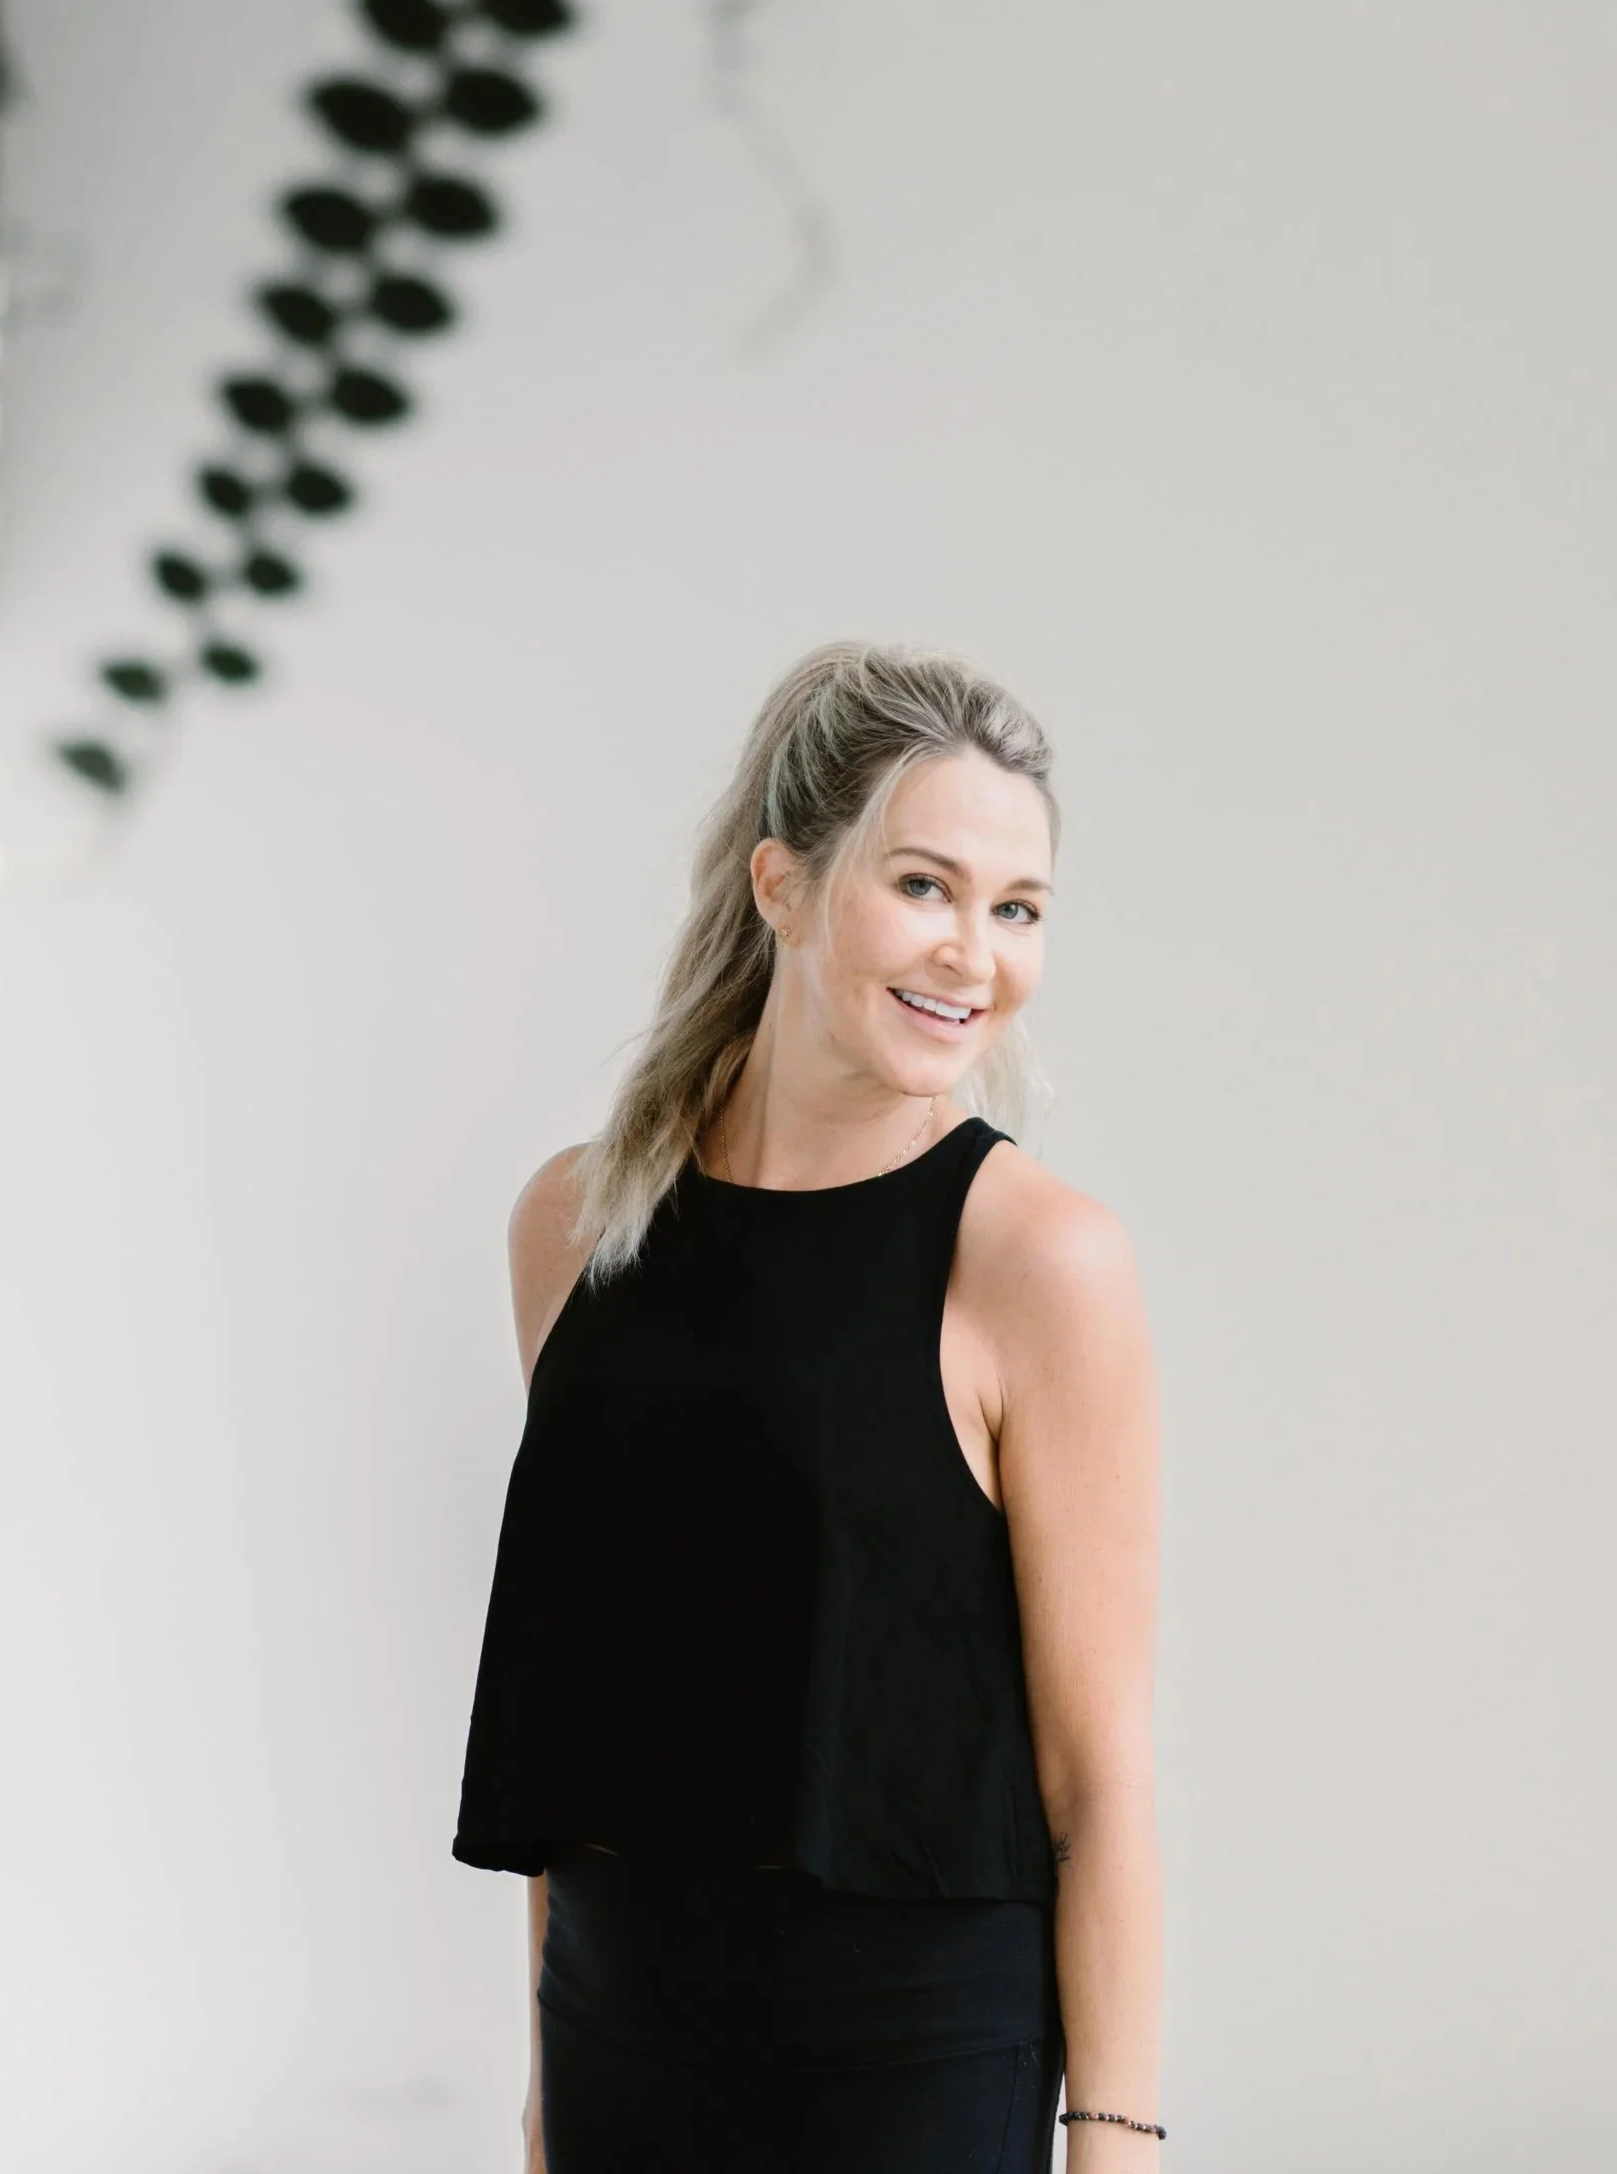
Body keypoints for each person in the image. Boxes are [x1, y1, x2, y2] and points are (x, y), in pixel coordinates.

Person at [453, 643, 1164, 2173]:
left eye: (1016, 907)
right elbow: (573, 1716)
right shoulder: (578, 1227)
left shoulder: (1035, 1260)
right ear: (781, 883)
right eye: (924, 885)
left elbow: (1094, 1775)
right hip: (619, 2039)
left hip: (913, 2056)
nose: (974, 952)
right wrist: (542, 2087)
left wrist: (1116, 2143)